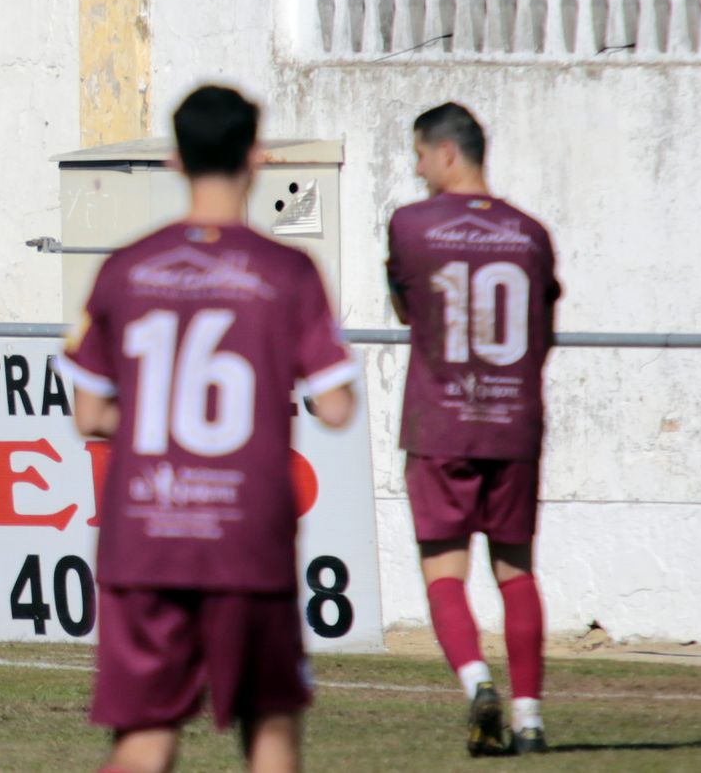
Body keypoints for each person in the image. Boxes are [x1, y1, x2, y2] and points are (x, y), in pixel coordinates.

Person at [58, 85, 357, 773]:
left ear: (173, 161)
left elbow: (90, 416)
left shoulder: (125, 268)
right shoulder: (287, 271)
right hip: (244, 536)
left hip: (146, 531)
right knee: (270, 735)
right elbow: (335, 405)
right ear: (257, 157)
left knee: (144, 742)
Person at [386, 103, 559, 756]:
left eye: (420, 154)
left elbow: (408, 309)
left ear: (448, 154)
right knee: (516, 571)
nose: (417, 167)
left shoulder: (411, 224)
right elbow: (544, 334)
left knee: (444, 572)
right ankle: (533, 720)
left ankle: (477, 682)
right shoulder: (532, 233)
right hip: (513, 418)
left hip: (442, 421)